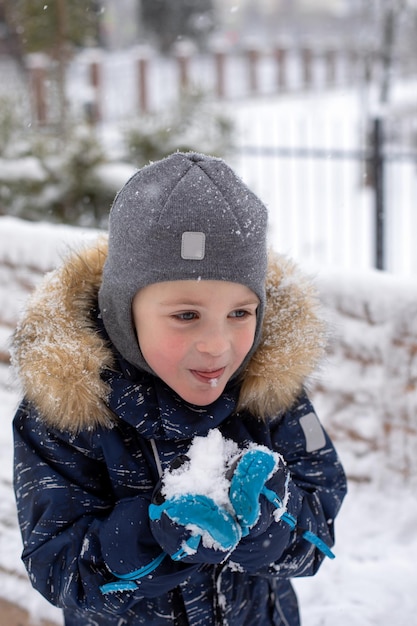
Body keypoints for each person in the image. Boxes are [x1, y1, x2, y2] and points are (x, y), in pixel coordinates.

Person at [12, 152, 347, 626]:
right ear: (123, 313)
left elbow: (319, 531)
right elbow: (59, 571)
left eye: (240, 313)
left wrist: (277, 522)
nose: (217, 345)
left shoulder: (270, 394)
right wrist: (150, 537)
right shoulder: (66, 413)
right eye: (186, 315)